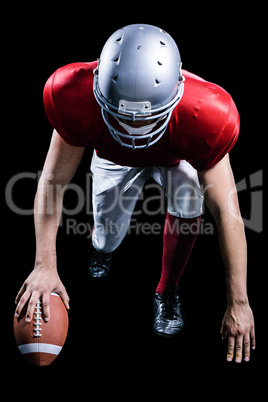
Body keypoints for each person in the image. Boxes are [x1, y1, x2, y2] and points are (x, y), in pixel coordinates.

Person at [15, 24, 255, 363]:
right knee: (107, 235)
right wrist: (44, 263)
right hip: (112, 159)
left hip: (176, 154)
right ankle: (103, 248)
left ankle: (167, 290)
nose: (133, 130)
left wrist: (239, 301)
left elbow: (228, 212)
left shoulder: (205, 115)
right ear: (98, 86)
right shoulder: (75, 94)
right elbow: (52, 183)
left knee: (191, 196)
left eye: (145, 119)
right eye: (121, 116)